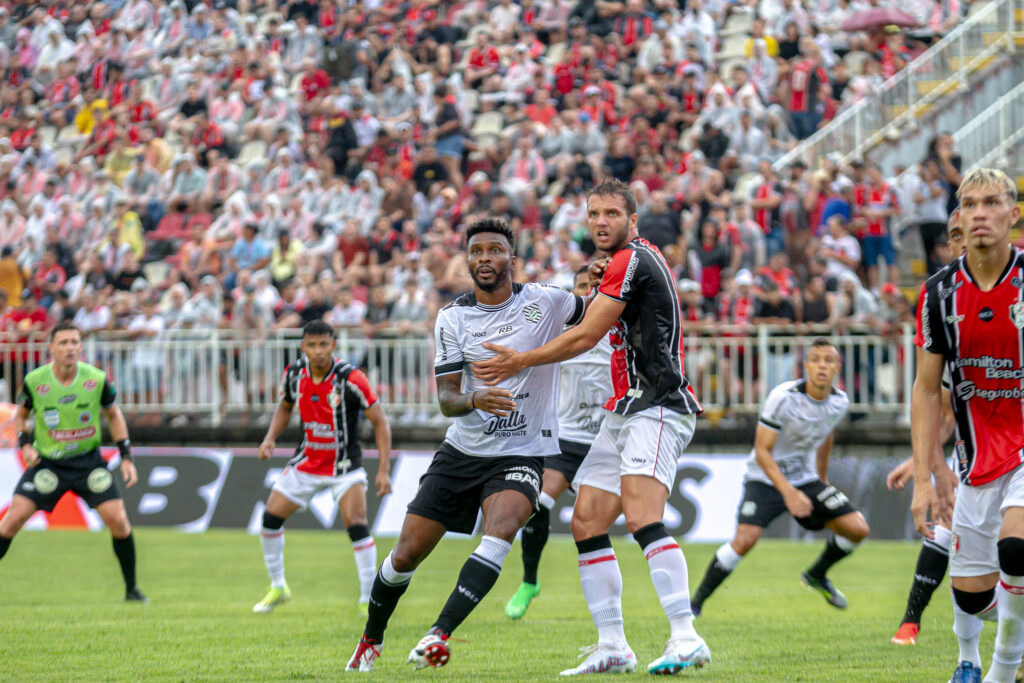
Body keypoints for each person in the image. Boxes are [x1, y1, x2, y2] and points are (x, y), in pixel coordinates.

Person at [473, 180, 709, 676]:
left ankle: (686, 636)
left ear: (632, 221)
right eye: (594, 213)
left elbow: (585, 334)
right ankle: (613, 645)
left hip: (658, 404)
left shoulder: (632, 260)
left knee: (644, 517)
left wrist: (518, 361)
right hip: (623, 410)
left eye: (611, 214)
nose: (601, 222)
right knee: (587, 521)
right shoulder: (628, 262)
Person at [346, 218, 587, 672]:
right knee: (404, 556)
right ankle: (371, 640)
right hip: (462, 452)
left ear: (512, 261)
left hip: (522, 451)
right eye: (476, 252)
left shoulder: (548, 301)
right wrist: (476, 397)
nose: (484, 259)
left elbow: (597, 315)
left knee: (502, 529)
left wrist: (602, 285)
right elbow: (447, 400)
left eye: (494, 251)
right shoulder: (453, 318)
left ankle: (438, 634)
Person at [912, 168, 1024, 683]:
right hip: (976, 460)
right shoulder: (938, 294)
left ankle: (1001, 670)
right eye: (971, 204)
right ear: (958, 216)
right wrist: (923, 477)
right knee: (973, 598)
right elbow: (925, 389)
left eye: (992, 203)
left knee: (1016, 549)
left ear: (1013, 213)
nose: (981, 213)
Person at [691, 339, 869, 614]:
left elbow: (826, 434)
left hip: (804, 479)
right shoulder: (783, 397)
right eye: (816, 359)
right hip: (764, 477)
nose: (822, 365)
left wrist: (821, 479)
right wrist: (789, 493)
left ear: (837, 367)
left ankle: (816, 575)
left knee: (857, 529)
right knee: (745, 539)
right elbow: (762, 451)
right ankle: (695, 604)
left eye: (828, 360)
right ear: (806, 366)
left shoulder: (839, 402)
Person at [0, 322, 146, 602]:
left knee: (119, 521)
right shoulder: (35, 381)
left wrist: (125, 456)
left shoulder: (97, 379)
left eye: (75, 342)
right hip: (47, 464)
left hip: (88, 463)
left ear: (81, 346)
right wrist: (25, 445)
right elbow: (20, 417)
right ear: (51, 348)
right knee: (11, 522)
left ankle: (132, 590)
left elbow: (114, 416)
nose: (70, 348)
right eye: (64, 343)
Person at [254, 320, 392, 615]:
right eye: (312, 345)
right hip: (307, 463)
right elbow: (286, 406)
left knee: (356, 525)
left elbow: (380, 421)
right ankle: (278, 586)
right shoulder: (294, 374)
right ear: (303, 346)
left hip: (344, 467)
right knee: (269, 520)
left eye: (323, 345)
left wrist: (383, 470)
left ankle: (368, 598)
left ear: (334, 345)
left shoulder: (351, 378)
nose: (318, 351)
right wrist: (270, 438)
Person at [504, 265, 613, 620]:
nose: (589, 291)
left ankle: (607, 605)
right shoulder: (560, 332)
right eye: (582, 287)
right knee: (539, 502)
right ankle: (530, 581)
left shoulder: (620, 331)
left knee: (598, 526)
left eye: (595, 285)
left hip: (608, 441)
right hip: (566, 440)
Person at [886, 214, 964, 647]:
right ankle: (912, 621)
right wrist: (921, 464)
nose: (962, 243)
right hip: (976, 455)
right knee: (946, 532)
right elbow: (944, 410)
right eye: (954, 236)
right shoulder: (942, 301)